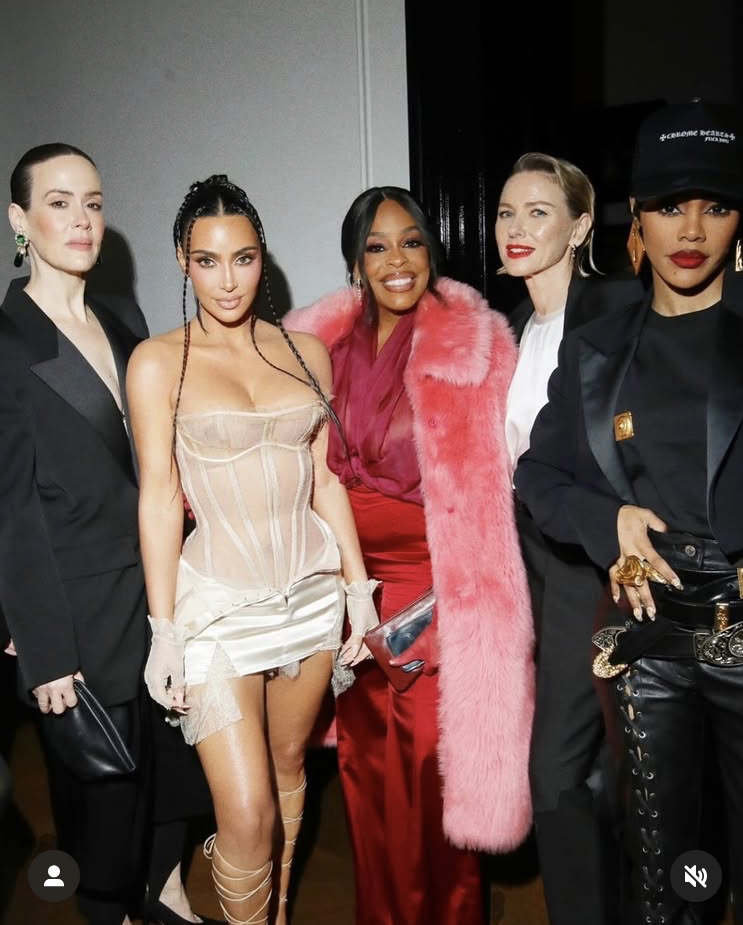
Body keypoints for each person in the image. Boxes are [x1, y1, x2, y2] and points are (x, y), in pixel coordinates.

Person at [514, 98, 743, 924]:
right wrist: (607, 520)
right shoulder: (596, 350)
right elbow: (538, 473)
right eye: (669, 205)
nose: (691, 229)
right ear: (636, 217)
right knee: (665, 865)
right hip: (647, 625)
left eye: (714, 206)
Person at [126, 173, 377, 925]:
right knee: (244, 815)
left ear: (261, 256)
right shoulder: (156, 362)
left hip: (310, 597)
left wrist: (358, 590)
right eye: (207, 261)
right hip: (217, 610)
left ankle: (278, 914)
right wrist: (163, 630)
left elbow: (325, 482)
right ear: (183, 261)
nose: (228, 279)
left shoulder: (306, 352)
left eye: (242, 258)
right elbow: (159, 498)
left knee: (291, 764)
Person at [284, 186, 535, 925]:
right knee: (366, 774)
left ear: (432, 250)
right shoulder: (316, 350)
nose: (398, 260)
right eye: (377, 246)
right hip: (348, 596)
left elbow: (506, 484)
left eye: (412, 241)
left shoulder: (479, 347)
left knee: (435, 772)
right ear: (354, 263)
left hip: (438, 596)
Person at [0, 144, 220, 925]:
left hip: (157, 589)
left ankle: (163, 893)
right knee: (105, 798)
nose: (81, 220)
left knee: (172, 772)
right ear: (20, 220)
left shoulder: (123, 323)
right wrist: (43, 647)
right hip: (79, 610)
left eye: (92, 203)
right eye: (58, 203)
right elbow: (11, 508)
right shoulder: (8, 342)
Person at [496, 152, 643, 925]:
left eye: (538, 211)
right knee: (583, 764)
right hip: (525, 561)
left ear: (580, 226)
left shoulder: (615, 308)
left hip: (592, 563)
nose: (516, 228)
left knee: (556, 764)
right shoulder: (510, 329)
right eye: (506, 212)